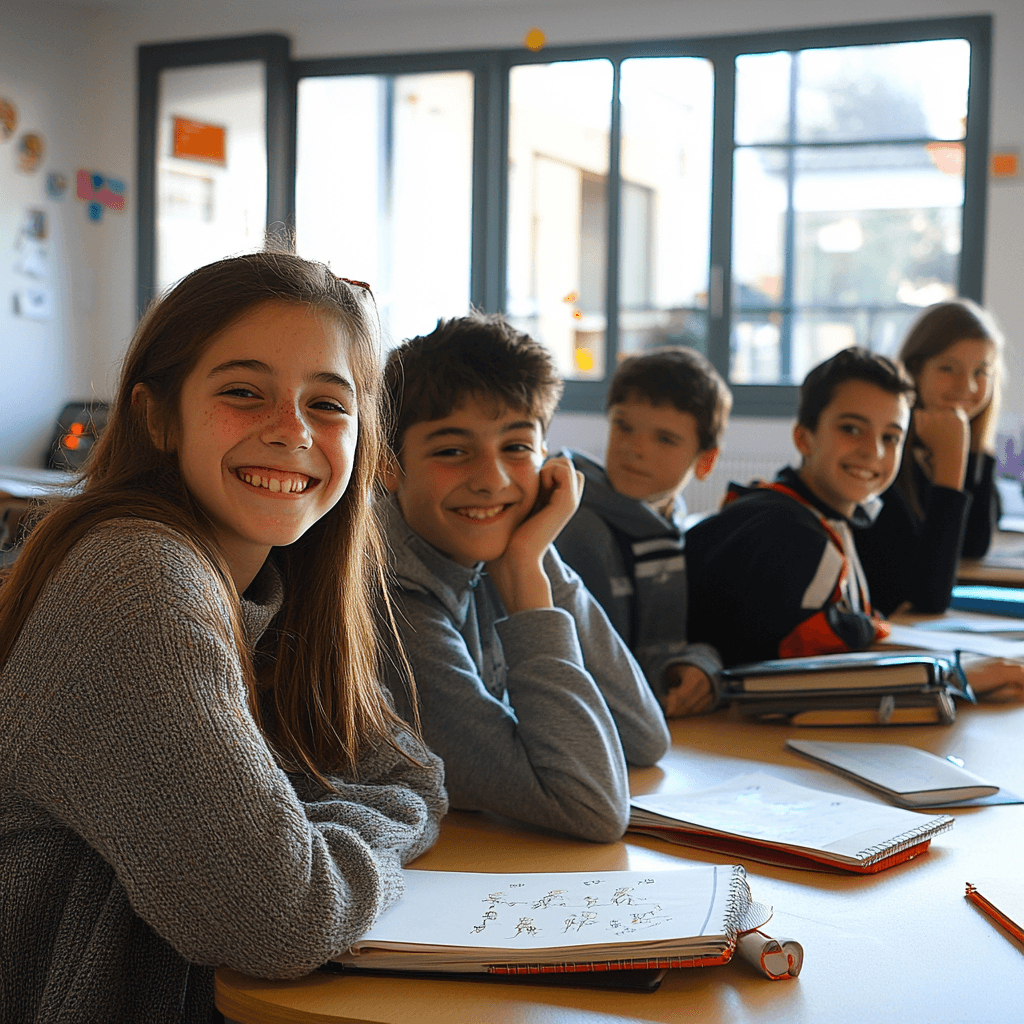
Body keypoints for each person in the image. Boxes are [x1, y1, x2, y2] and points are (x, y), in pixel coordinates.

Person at [0, 253, 447, 1024]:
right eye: (244, 392)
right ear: (157, 415)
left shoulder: (267, 588)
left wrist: (312, 839)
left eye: (329, 404)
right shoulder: (139, 584)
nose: (292, 431)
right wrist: (325, 841)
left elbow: (409, 770)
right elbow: (280, 919)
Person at [380, 313, 670, 844]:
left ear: (545, 457)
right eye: (451, 450)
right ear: (389, 464)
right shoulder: (390, 606)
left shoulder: (501, 551)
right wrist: (529, 587)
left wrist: (535, 559)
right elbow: (589, 804)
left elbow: (643, 733)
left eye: (515, 447)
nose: (491, 481)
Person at [686, 347, 912, 667]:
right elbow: (795, 663)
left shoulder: (816, 513)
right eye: (851, 429)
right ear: (804, 439)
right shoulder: (793, 535)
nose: (873, 451)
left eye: (890, 437)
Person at [555, 347, 731, 717]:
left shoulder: (674, 529)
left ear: (706, 461)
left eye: (664, 439)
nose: (634, 448)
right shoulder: (576, 527)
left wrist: (700, 664)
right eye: (623, 425)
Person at [856, 299, 1003, 616]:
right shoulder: (885, 453)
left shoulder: (958, 440)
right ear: (914, 369)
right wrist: (951, 464)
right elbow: (926, 597)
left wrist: (972, 448)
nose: (967, 385)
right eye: (948, 368)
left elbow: (975, 546)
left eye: (982, 372)